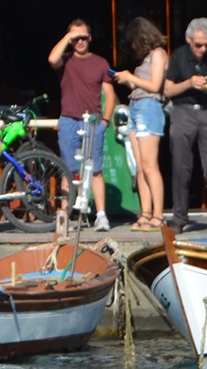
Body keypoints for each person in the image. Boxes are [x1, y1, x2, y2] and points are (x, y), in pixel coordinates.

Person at [48, 19, 115, 232]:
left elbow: (109, 92)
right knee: (68, 170)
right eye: (75, 38)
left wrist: (105, 119)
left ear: (90, 38)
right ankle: (66, 214)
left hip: (93, 121)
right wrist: (68, 37)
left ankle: (101, 215)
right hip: (68, 120)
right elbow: (52, 58)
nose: (80, 42)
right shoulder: (65, 60)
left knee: (95, 169)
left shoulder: (101, 63)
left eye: (83, 37)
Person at [165, 18, 207, 234]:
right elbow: (167, 90)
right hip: (183, 110)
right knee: (181, 166)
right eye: (198, 44)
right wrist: (189, 83)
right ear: (188, 39)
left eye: (206, 45)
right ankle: (179, 218)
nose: (202, 49)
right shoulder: (178, 56)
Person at [115, 18, 168, 232]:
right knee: (139, 167)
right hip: (136, 106)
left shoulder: (158, 54)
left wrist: (131, 78)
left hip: (149, 108)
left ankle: (158, 214)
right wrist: (128, 81)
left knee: (149, 165)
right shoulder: (147, 57)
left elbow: (155, 86)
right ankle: (145, 212)